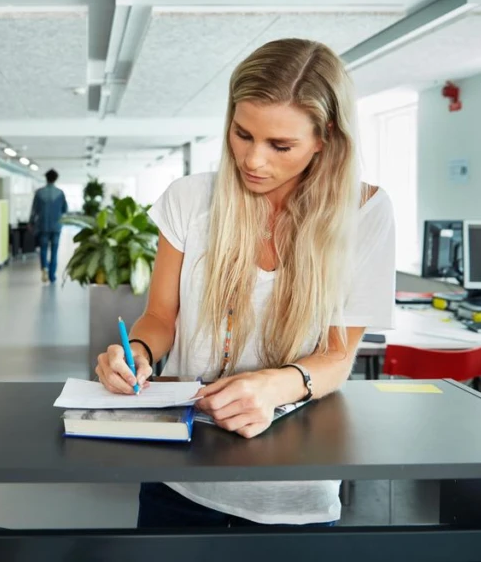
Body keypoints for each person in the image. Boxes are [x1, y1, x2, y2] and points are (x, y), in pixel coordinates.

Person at [94, 38, 395, 528]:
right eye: (242, 134)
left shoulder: (365, 213)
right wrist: (139, 355)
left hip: (296, 489)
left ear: (325, 138)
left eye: (281, 145)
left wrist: (274, 385)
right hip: (180, 479)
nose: (253, 160)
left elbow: (338, 358)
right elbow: (160, 317)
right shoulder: (189, 199)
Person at [29, 169, 68, 284]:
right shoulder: (60, 193)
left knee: (43, 249)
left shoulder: (39, 192)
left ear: (46, 178)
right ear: (55, 179)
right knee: (55, 250)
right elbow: (65, 209)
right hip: (56, 226)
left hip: (43, 225)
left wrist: (30, 222)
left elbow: (34, 210)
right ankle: (52, 275)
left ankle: (44, 268)